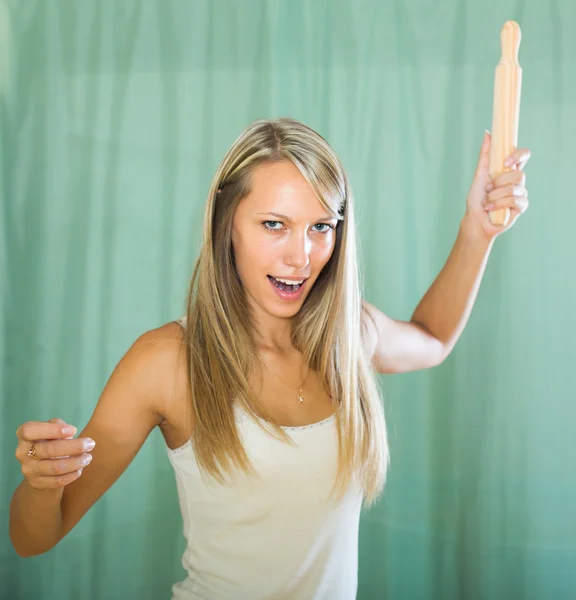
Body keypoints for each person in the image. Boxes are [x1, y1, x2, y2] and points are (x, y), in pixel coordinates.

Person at [10, 117, 531, 599]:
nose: (300, 257)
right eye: (274, 225)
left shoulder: (346, 336)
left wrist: (477, 230)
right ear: (227, 222)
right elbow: (34, 537)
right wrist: (41, 485)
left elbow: (432, 338)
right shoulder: (168, 362)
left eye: (321, 226)